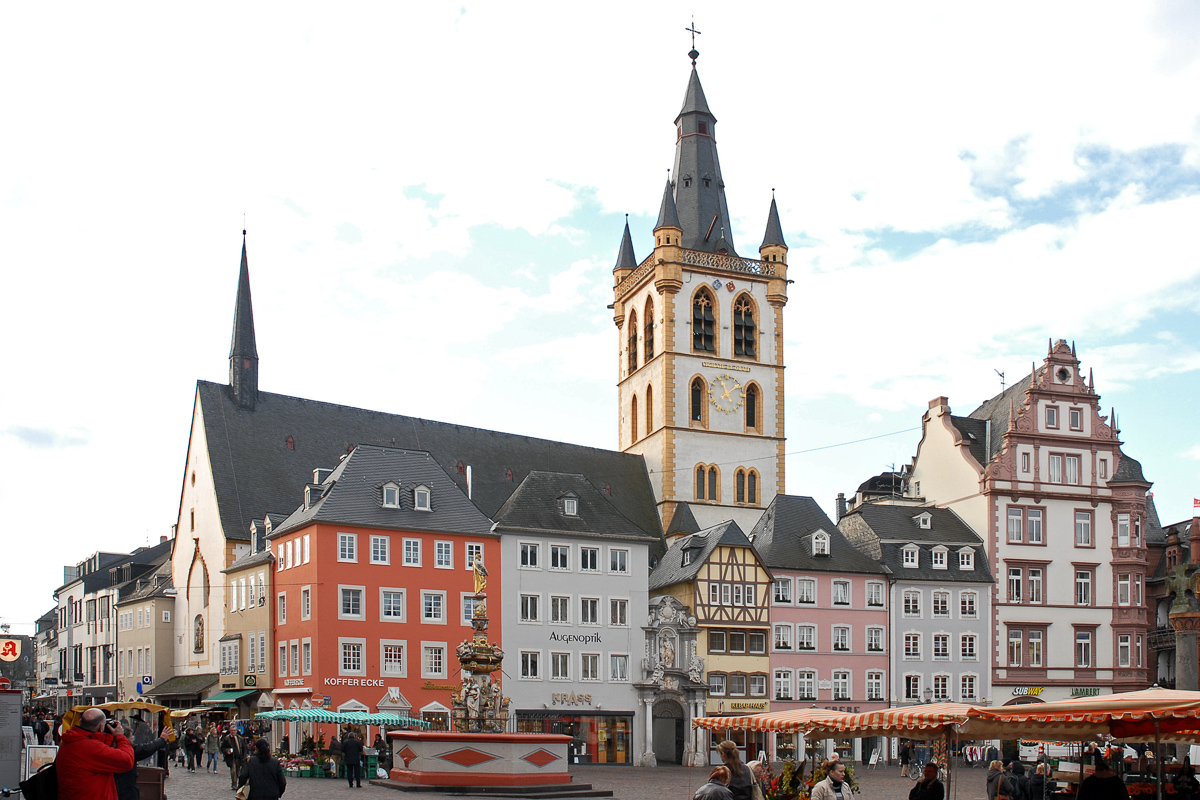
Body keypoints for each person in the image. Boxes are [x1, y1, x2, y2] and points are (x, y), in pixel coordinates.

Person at [55, 708, 137, 800]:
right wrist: (120, 737)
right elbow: (127, 760)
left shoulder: (70, 741)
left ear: (80, 722)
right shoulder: (90, 747)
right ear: (101, 727)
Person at [116, 723, 173, 800]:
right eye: (131, 737)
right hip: (125, 790)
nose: (132, 739)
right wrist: (161, 740)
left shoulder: (114, 747)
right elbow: (145, 749)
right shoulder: (126, 749)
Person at [224, 725, 249, 789]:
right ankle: (234, 784)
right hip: (231, 758)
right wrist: (227, 751)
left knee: (238, 771)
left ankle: (236, 782)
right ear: (230, 731)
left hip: (239, 757)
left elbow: (244, 748)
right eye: (232, 730)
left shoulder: (240, 738)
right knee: (233, 771)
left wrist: (245, 756)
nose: (233, 732)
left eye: (234, 730)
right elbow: (222, 748)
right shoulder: (227, 738)